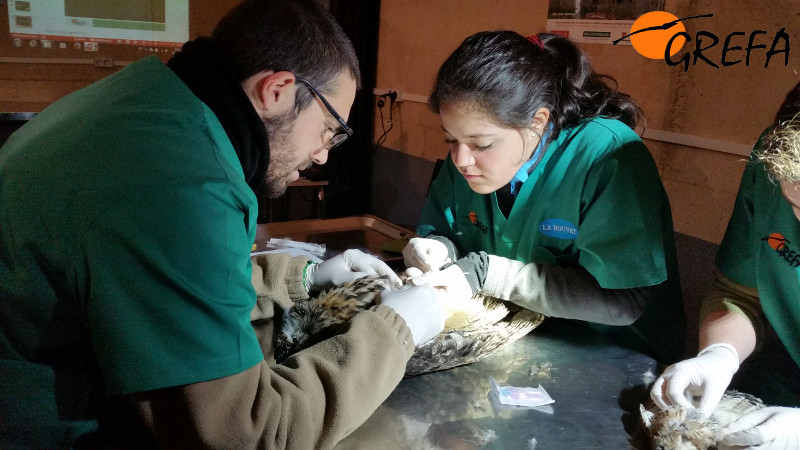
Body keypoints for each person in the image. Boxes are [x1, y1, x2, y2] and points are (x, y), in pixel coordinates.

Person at [0, 1, 444, 448]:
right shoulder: (184, 182)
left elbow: (163, 280)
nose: (323, 154)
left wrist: (301, 276)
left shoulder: (145, 103)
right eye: (329, 129)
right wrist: (394, 329)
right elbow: (248, 435)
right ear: (278, 90)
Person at [402, 31, 686, 364]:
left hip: (614, 356)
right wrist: (438, 249)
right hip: (519, 341)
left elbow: (623, 302)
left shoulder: (607, 156)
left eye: (481, 144)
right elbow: (447, 230)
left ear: (538, 123)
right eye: (451, 139)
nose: (462, 160)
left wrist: (490, 274)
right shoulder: (466, 159)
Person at [650, 82, 800, 449]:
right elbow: (740, 292)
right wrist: (720, 355)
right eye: (797, 208)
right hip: (785, 374)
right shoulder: (776, 156)